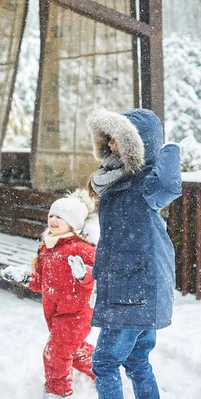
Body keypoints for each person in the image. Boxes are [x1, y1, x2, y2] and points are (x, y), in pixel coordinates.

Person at [86, 108, 182, 399]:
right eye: (109, 139)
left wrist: (169, 151)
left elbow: (168, 186)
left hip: (134, 291)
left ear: (137, 143)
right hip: (133, 288)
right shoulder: (119, 181)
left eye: (117, 139)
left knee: (104, 363)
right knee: (137, 361)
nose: (110, 145)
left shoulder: (145, 184)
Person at [0, 190, 99, 398]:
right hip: (55, 313)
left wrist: (84, 275)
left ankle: (58, 392)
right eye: (51, 215)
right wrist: (25, 277)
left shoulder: (81, 248)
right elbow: (41, 282)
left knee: (55, 353)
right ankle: (103, 369)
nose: (53, 220)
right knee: (72, 350)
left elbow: (99, 274)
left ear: (72, 222)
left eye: (60, 216)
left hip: (77, 313)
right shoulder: (47, 248)